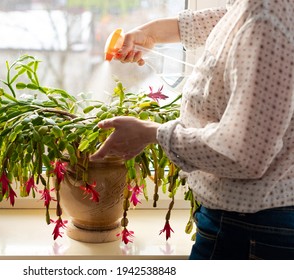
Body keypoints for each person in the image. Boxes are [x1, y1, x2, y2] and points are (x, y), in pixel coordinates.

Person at [90, 0, 294, 260]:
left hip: (252, 229)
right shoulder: (262, 10)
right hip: (252, 222)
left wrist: (153, 133)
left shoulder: (268, 20)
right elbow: (232, 21)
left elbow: (243, 154)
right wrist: (152, 32)